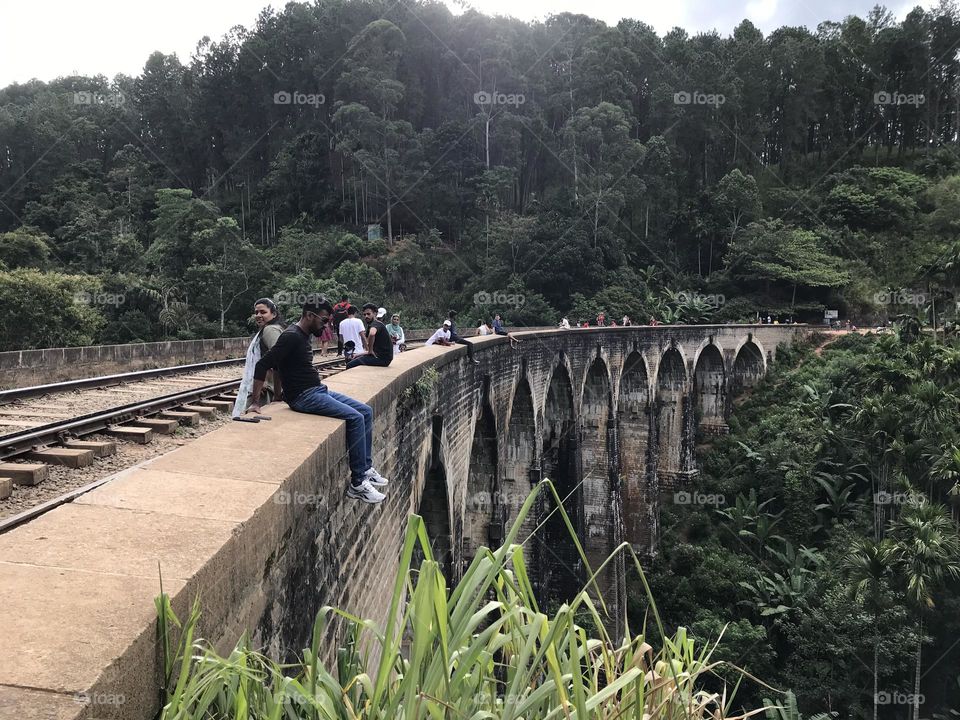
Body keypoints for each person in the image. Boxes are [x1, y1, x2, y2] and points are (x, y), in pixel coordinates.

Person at [248, 300, 387, 504]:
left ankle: (366, 468)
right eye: (324, 321)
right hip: (303, 397)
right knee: (355, 418)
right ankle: (358, 483)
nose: (326, 326)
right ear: (310, 316)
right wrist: (255, 402)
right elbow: (264, 364)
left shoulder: (303, 336)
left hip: (317, 390)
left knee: (365, 411)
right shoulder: (291, 336)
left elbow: (279, 367)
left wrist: (278, 395)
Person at [233, 298, 285, 418]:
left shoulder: (270, 330)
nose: (258, 315)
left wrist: (266, 380)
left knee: (252, 419)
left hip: (265, 388)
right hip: (264, 385)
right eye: (256, 312)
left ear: (274, 314)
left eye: (263, 312)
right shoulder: (271, 328)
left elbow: (279, 357)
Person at [347, 303, 393, 368]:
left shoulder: (376, 324)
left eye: (368, 314)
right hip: (381, 357)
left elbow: (372, 334)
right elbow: (373, 351)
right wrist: (359, 354)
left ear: (375, 314)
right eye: (364, 314)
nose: (366, 316)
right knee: (354, 359)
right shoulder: (371, 325)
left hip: (382, 359)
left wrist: (370, 350)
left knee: (349, 365)